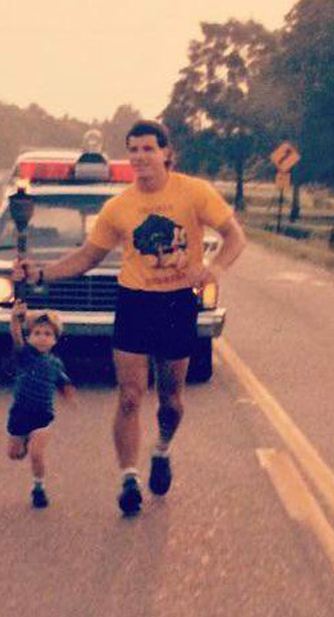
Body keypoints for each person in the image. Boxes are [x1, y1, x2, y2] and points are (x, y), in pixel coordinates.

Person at [14, 119, 247, 516]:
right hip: (135, 302)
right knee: (130, 396)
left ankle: (161, 450)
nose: (140, 157)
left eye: (147, 149)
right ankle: (128, 478)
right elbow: (87, 258)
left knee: (171, 400)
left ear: (166, 154)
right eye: (133, 150)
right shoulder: (118, 207)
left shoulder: (194, 193)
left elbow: (235, 237)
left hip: (177, 303)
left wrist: (215, 269)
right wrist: (39, 273)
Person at [6, 304, 75, 508]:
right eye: (37, 333)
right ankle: (23, 441)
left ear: (54, 340)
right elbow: (16, 336)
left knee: (37, 454)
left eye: (47, 334)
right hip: (19, 413)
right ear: (29, 337)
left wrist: (68, 393)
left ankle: (39, 487)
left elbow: (63, 382)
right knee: (14, 454)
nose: (42, 337)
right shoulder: (25, 355)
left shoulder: (55, 364)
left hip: (42, 415)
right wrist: (15, 319)